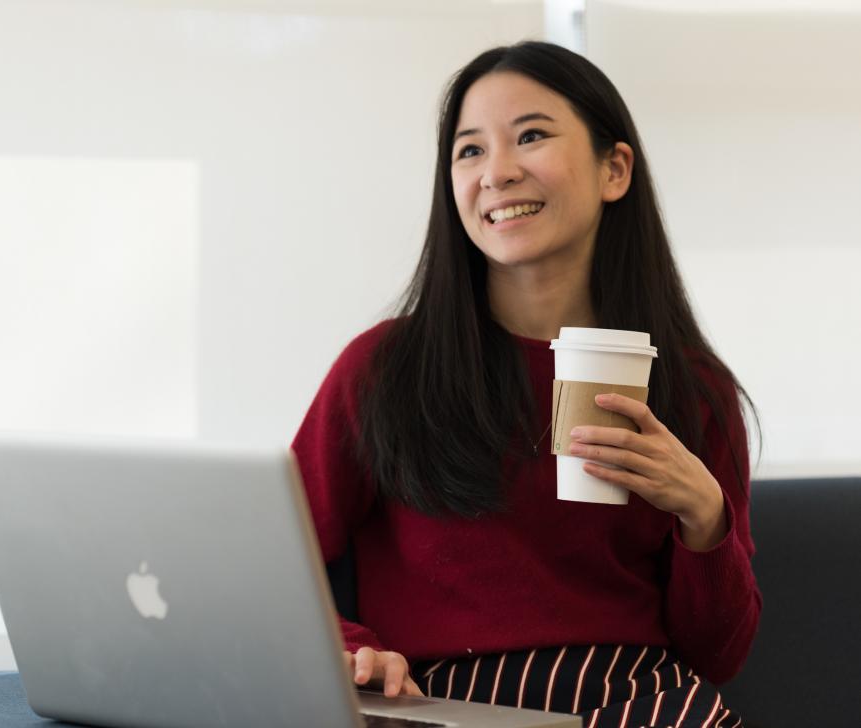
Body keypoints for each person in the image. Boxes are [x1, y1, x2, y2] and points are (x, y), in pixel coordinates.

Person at [291, 41, 761, 728]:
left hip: (640, 701)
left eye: (531, 136)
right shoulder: (385, 369)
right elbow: (272, 566)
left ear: (615, 169)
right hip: (448, 705)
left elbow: (718, 656)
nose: (497, 173)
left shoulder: (694, 389)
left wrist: (704, 517)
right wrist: (353, 652)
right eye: (470, 151)